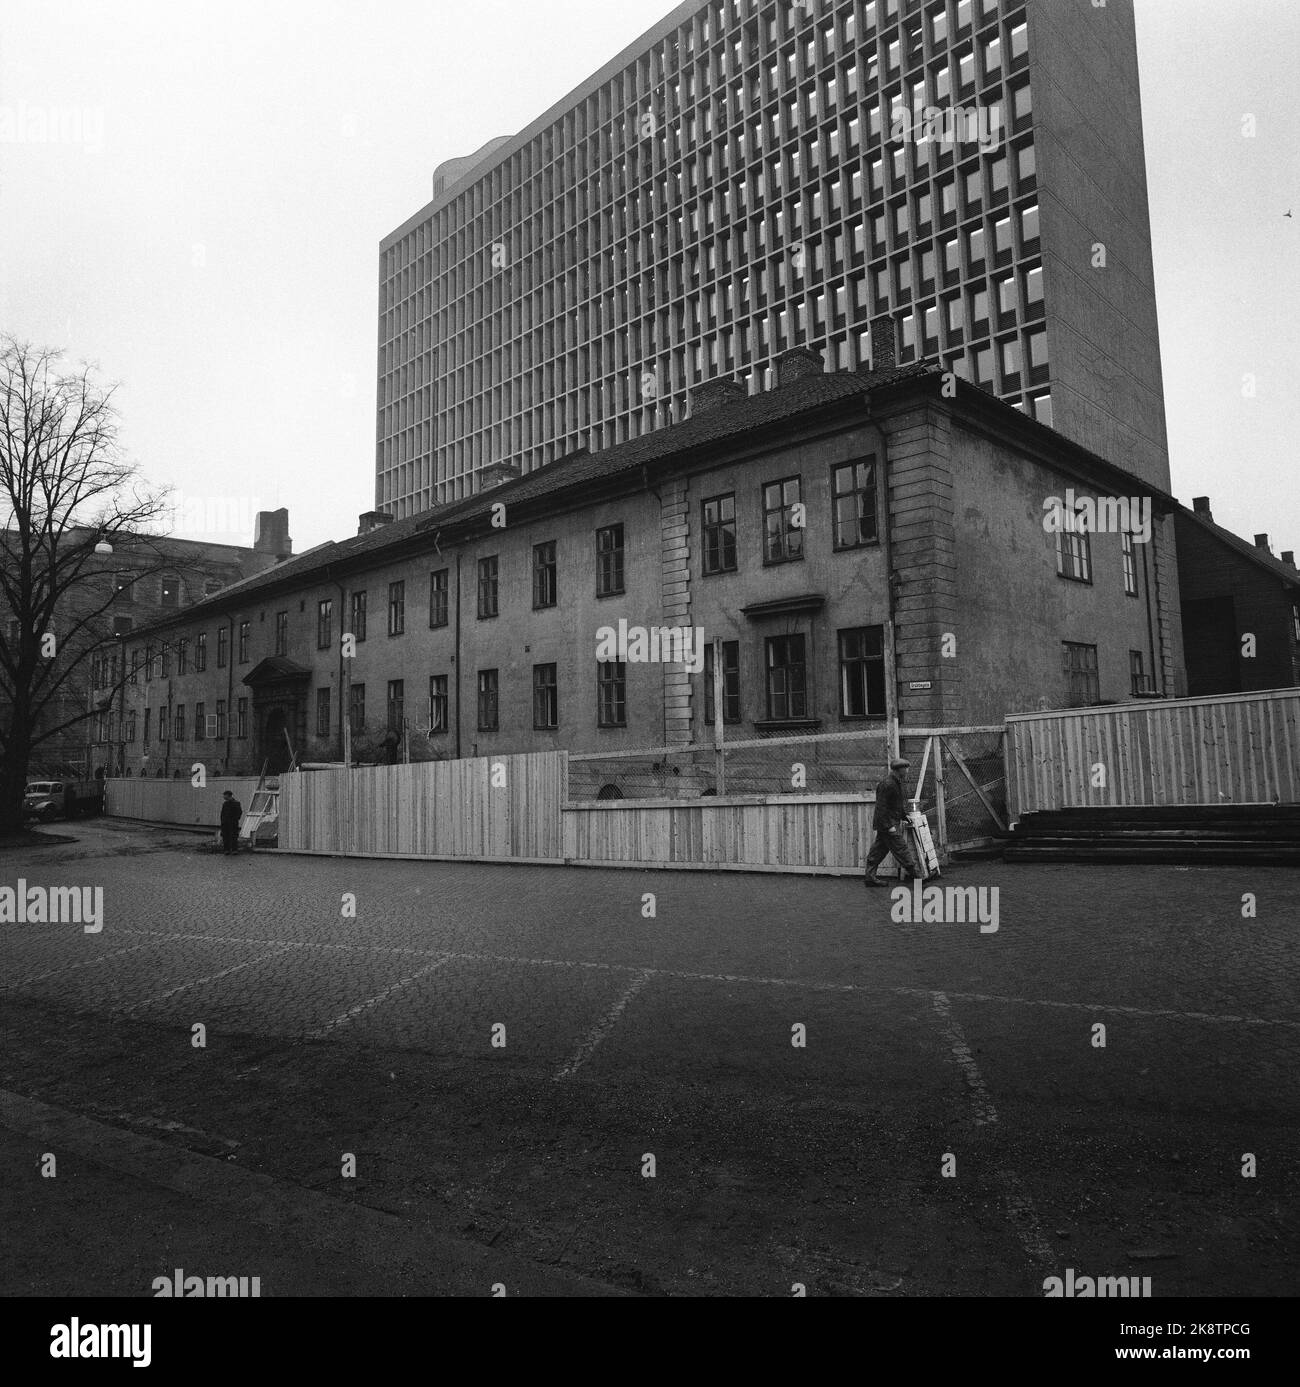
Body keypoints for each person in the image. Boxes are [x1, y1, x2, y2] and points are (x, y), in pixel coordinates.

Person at [863, 756, 922, 887]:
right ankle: (917, 877)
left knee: (877, 852)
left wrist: (904, 818)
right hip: (888, 825)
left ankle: (870, 878)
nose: (907, 771)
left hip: (890, 823)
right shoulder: (888, 784)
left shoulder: (896, 782)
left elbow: (896, 805)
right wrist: (889, 826)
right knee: (901, 849)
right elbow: (881, 807)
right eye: (905, 769)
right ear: (898, 770)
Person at [219, 790, 243, 855]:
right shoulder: (226, 803)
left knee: (232, 836)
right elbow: (222, 814)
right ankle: (230, 850)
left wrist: (235, 819)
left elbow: (239, 812)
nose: (223, 796)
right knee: (227, 836)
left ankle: (230, 850)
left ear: (228, 795)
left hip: (232, 823)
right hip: (228, 823)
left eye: (224, 795)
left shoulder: (235, 803)